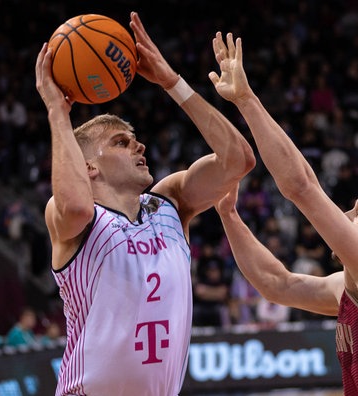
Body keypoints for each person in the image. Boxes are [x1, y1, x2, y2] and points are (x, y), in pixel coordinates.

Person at [209, 32, 358, 395]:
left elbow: (302, 186)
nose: (344, 215)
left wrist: (245, 99)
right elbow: (276, 284)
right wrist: (229, 215)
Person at [34, 12, 255, 396]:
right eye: (120, 142)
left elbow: (239, 160)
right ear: (88, 166)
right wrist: (58, 111)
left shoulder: (171, 203)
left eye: (134, 139)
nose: (139, 146)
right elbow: (76, 207)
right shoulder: (73, 218)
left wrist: (172, 82)